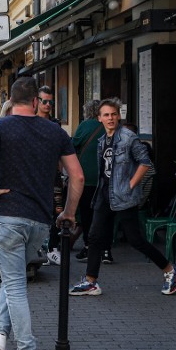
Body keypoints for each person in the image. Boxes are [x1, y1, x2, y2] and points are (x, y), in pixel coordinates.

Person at [0, 76, 83, 350]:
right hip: (40, 221)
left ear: (11, 99)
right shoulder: (54, 131)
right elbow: (78, 177)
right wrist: (68, 212)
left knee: (14, 286)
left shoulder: (0, 126)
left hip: (8, 215)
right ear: (36, 102)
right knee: (13, 279)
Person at [69, 99, 176, 298]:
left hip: (123, 196)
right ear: (99, 118)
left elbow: (145, 162)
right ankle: (90, 281)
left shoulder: (128, 137)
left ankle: (171, 271)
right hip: (104, 193)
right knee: (95, 237)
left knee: (135, 240)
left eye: (113, 114)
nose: (110, 118)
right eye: (106, 115)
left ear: (118, 116)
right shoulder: (102, 140)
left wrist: (130, 185)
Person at [71, 100, 106, 262]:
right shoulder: (108, 126)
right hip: (106, 177)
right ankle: (106, 250)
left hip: (87, 177)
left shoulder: (85, 126)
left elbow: (73, 145)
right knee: (105, 214)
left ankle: (88, 246)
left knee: (86, 213)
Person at [37, 85, 67, 266]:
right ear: (37, 101)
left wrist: (62, 172)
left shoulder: (55, 125)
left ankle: (53, 249)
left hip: (54, 175)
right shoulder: (31, 121)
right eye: (45, 101)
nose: (48, 105)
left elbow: (62, 151)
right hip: (36, 175)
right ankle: (40, 248)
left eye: (51, 101)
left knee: (57, 209)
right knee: (38, 211)